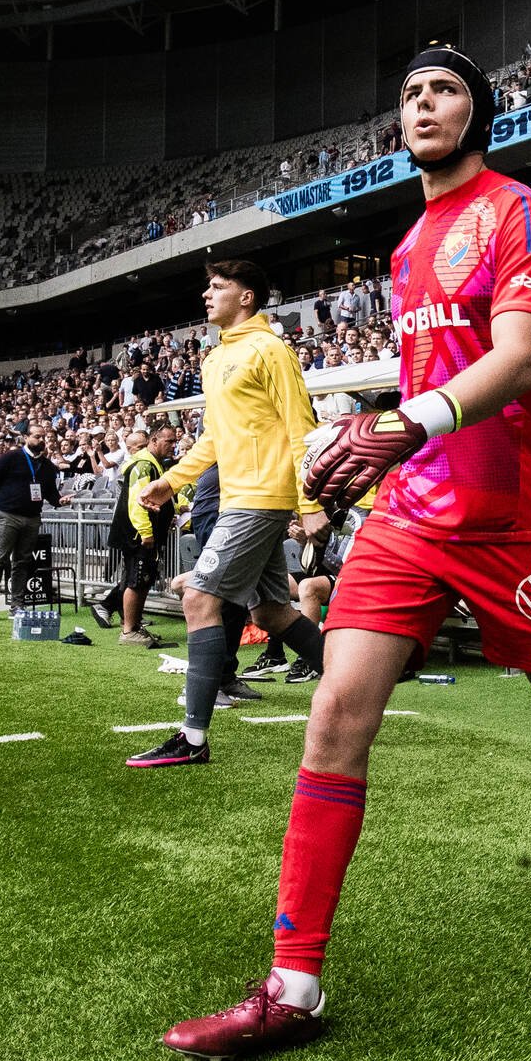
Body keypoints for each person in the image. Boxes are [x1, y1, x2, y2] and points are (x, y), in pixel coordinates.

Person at [157, 46, 531, 1061]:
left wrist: (404, 421)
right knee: (335, 712)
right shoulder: (407, 247)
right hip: (412, 511)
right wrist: (370, 444)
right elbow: (426, 381)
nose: (423, 104)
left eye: (443, 90)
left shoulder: (517, 209)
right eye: (407, 94)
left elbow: (520, 358)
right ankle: (293, 986)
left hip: (517, 517)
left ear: (476, 112)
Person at [126, 260, 329, 769]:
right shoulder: (216, 358)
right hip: (239, 497)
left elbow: (301, 428)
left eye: (218, 287)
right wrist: (171, 480)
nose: (206, 294)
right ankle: (356, 682)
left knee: (198, 599)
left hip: (261, 498)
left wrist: (310, 503)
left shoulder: (270, 349)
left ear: (247, 297)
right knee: (270, 612)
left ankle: (192, 739)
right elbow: (214, 439)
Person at [94, 424, 178, 647]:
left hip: (141, 534)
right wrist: (146, 533)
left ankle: (133, 625)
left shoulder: (151, 463)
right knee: (136, 580)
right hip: (137, 536)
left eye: (174, 441)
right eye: (168, 441)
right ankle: (129, 631)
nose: (173, 445)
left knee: (142, 580)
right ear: (154, 440)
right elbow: (137, 502)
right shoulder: (143, 465)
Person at [0, 430, 69, 621]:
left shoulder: (48, 467)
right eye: (37, 436)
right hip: (7, 515)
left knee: (22, 562)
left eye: (44, 437)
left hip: (32, 518)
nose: (41, 440)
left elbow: (50, 493)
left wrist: (60, 501)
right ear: (26, 437)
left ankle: (17, 605)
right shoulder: (11, 457)